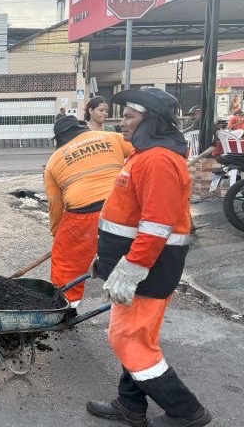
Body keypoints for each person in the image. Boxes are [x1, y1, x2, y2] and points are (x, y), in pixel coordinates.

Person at [87, 87, 211, 427]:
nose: (122, 123)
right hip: (135, 264)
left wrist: (133, 267)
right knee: (137, 337)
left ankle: (186, 411)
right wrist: (109, 260)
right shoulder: (144, 155)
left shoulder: (158, 160)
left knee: (127, 338)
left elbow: (156, 226)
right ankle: (130, 404)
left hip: (149, 269)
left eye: (129, 116)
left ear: (150, 120)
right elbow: (127, 217)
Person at [44, 116, 131, 307]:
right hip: (124, 206)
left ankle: (68, 304)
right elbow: (140, 153)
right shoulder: (111, 137)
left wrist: (57, 232)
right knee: (131, 252)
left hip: (84, 214)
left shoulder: (54, 160)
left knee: (66, 261)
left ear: (59, 140)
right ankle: (135, 297)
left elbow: (54, 203)